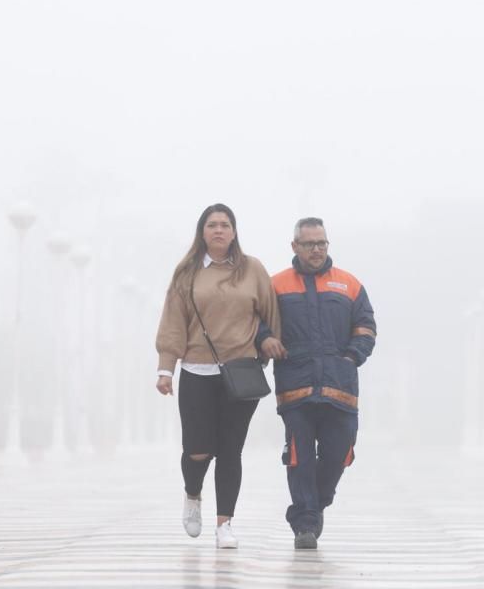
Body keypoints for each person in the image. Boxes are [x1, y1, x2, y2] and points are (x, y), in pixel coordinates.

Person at [155, 203, 286, 549]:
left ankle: (225, 523)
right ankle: (192, 494)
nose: (218, 230)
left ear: (234, 231)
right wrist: (166, 368)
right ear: (202, 231)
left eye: (225, 225)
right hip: (197, 370)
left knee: (231, 450)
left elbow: (269, 315)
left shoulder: (252, 269)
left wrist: (270, 341)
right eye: (212, 224)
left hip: (240, 373)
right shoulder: (187, 272)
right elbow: (173, 323)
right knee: (198, 448)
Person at [271, 217, 377, 549]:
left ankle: (317, 501)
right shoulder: (276, 286)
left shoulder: (349, 285)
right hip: (296, 386)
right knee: (300, 456)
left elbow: (366, 326)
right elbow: (259, 324)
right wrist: (265, 341)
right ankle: (305, 523)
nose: (316, 250)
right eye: (309, 244)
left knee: (339, 451)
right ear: (294, 247)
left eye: (321, 243)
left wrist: (351, 356)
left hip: (339, 387)